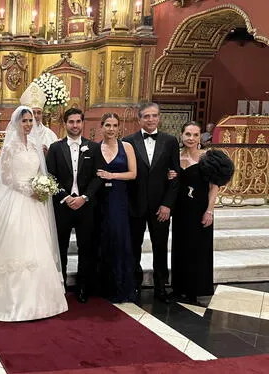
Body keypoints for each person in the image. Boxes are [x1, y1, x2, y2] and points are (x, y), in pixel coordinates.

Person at [0, 106, 68, 321]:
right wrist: (29, 190)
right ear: (17, 123)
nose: (27, 124)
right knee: (15, 243)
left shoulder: (36, 146)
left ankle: (42, 301)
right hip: (17, 201)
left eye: (30, 121)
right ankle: (10, 300)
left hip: (36, 204)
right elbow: (6, 178)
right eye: (24, 120)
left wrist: (42, 187)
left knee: (39, 246)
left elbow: (41, 172)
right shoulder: (10, 147)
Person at [169, 122, 233, 304]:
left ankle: (194, 290)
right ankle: (178, 288)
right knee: (180, 249)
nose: (191, 138)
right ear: (181, 135)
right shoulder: (175, 158)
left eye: (195, 135)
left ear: (200, 137)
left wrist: (210, 211)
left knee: (198, 250)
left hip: (200, 210)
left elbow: (214, 187)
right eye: (188, 134)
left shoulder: (208, 158)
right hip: (181, 211)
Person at [123, 102, 180, 303]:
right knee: (134, 247)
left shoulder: (170, 141)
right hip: (135, 205)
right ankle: (134, 285)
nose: (150, 119)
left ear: (159, 117)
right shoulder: (127, 141)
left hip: (160, 207)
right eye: (146, 116)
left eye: (154, 115)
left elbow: (176, 177)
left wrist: (167, 205)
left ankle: (160, 287)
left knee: (160, 247)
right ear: (139, 119)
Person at [46, 107, 102, 303]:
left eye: (78, 121)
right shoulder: (55, 148)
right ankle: (58, 285)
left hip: (86, 206)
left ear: (83, 123)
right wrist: (65, 197)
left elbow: (98, 177)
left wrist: (84, 197)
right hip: (63, 206)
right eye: (71, 122)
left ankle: (83, 287)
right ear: (65, 123)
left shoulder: (93, 148)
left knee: (86, 247)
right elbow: (50, 176)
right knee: (59, 247)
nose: (75, 125)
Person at [95, 113, 137, 303]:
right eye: (107, 125)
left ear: (119, 127)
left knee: (119, 238)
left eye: (114, 125)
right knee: (103, 238)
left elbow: (133, 174)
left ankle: (121, 286)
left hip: (119, 198)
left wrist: (112, 176)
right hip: (100, 199)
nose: (111, 129)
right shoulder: (95, 148)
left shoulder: (126, 147)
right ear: (101, 127)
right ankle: (103, 285)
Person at [20, 82, 58, 152]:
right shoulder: (20, 134)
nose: (36, 116)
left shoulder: (50, 134)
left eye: (39, 113)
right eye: (33, 112)